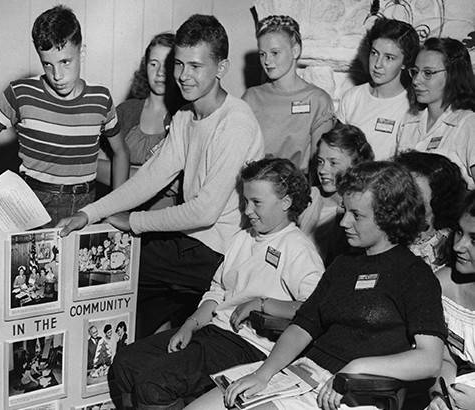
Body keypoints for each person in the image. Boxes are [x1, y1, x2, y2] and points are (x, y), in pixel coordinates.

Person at [59, 14, 264, 338]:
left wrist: (133, 221)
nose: (183, 76)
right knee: (126, 323)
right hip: (187, 245)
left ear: (221, 68)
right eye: (179, 65)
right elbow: (149, 178)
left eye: (195, 66)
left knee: (103, 265)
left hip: (218, 253)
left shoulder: (235, 122)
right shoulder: (185, 115)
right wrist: (90, 213)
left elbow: (205, 211)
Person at [191, 161, 446, 410]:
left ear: (390, 218)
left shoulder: (415, 275)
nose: (344, 222)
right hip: (305, 373)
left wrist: (357, 368)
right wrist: (263, 373)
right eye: (344, 210)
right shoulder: (343, 265)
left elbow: (429, 360)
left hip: (358, 389)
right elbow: (303, 325)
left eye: (356, 215)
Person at [110, 158, 323, 409]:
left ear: (286, 203)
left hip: (251, 346)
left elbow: (316, 310)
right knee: (126, 362)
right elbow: (217, 290)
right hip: (215, 331)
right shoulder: (243, 238)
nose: (247, 210)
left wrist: (264, 304)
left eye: (257, 203)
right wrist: (190, 324)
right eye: (245, 201)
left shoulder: (297, 248)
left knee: (155, 383)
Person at [0, 5, 129, 226]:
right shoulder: (21, 94)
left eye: (65, 62)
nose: (57, 75)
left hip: (87, 208)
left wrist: (117, 207)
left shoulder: (101, 98)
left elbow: (121, 151)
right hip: (34, 206)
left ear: (81, 51)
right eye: (48, 64)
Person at [99, 32, 185, 210]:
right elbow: (91, 167)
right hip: (121, 213)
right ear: (145, 67)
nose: (160, 72)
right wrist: (155, 178)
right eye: (154, 64)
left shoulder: (186, 116)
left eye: (167, 65)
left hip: (165, 224)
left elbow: (184, 183)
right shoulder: (126, 111)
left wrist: (123, 173)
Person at [242, 15, 335, 173]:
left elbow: (319, 164)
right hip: (256, 186)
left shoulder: (317, 100)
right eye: (262, 54)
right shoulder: (251, 97)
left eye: (275, 53)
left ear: (295, 50)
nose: (267, 61)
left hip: (298, 188)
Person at [396, 37, 475, 189]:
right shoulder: (409, 121)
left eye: (428, 73)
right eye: (416, 72)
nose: (416, 81)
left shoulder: (468, 123)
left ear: (453, 74)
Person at [336, 18, 419, 160]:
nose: (378, 64)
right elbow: (337, 150)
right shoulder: (352, 97)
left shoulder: (411, 106)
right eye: (374, 53)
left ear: (405, 62)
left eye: (389, 58)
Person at [299, 123, 374, 264]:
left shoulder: (361, 209)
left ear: (355, 166)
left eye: (333, 163)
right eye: (320, 162)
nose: (322, 170)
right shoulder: (309, 196)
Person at [427, 190, 475, 410]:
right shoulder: (443, 285)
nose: (458, 246)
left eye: (474, 240)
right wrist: (440, 395)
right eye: (459, 232)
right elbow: (444, 358)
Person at [394, 151, 467, 272]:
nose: (402, 200)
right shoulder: (382, 234)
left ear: (440, 198)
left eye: (414, 194)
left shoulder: (452, 245)